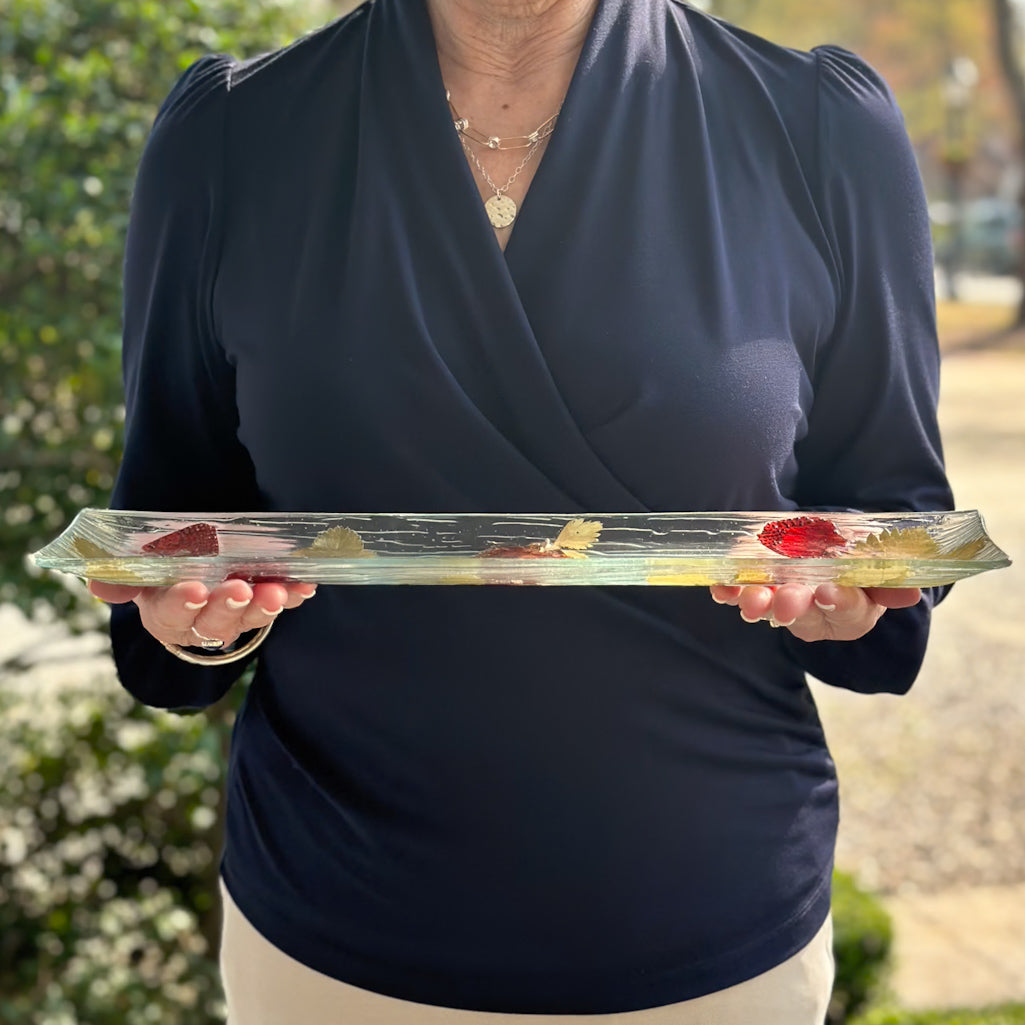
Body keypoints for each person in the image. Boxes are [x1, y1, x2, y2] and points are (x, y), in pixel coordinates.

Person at [89, 0, 954, 1021]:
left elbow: (894, 503)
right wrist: (192, 624)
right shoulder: (231, 135)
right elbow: (169, 519)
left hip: (713, 935)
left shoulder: (816, 126)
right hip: (330, 939)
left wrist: (850, 595)